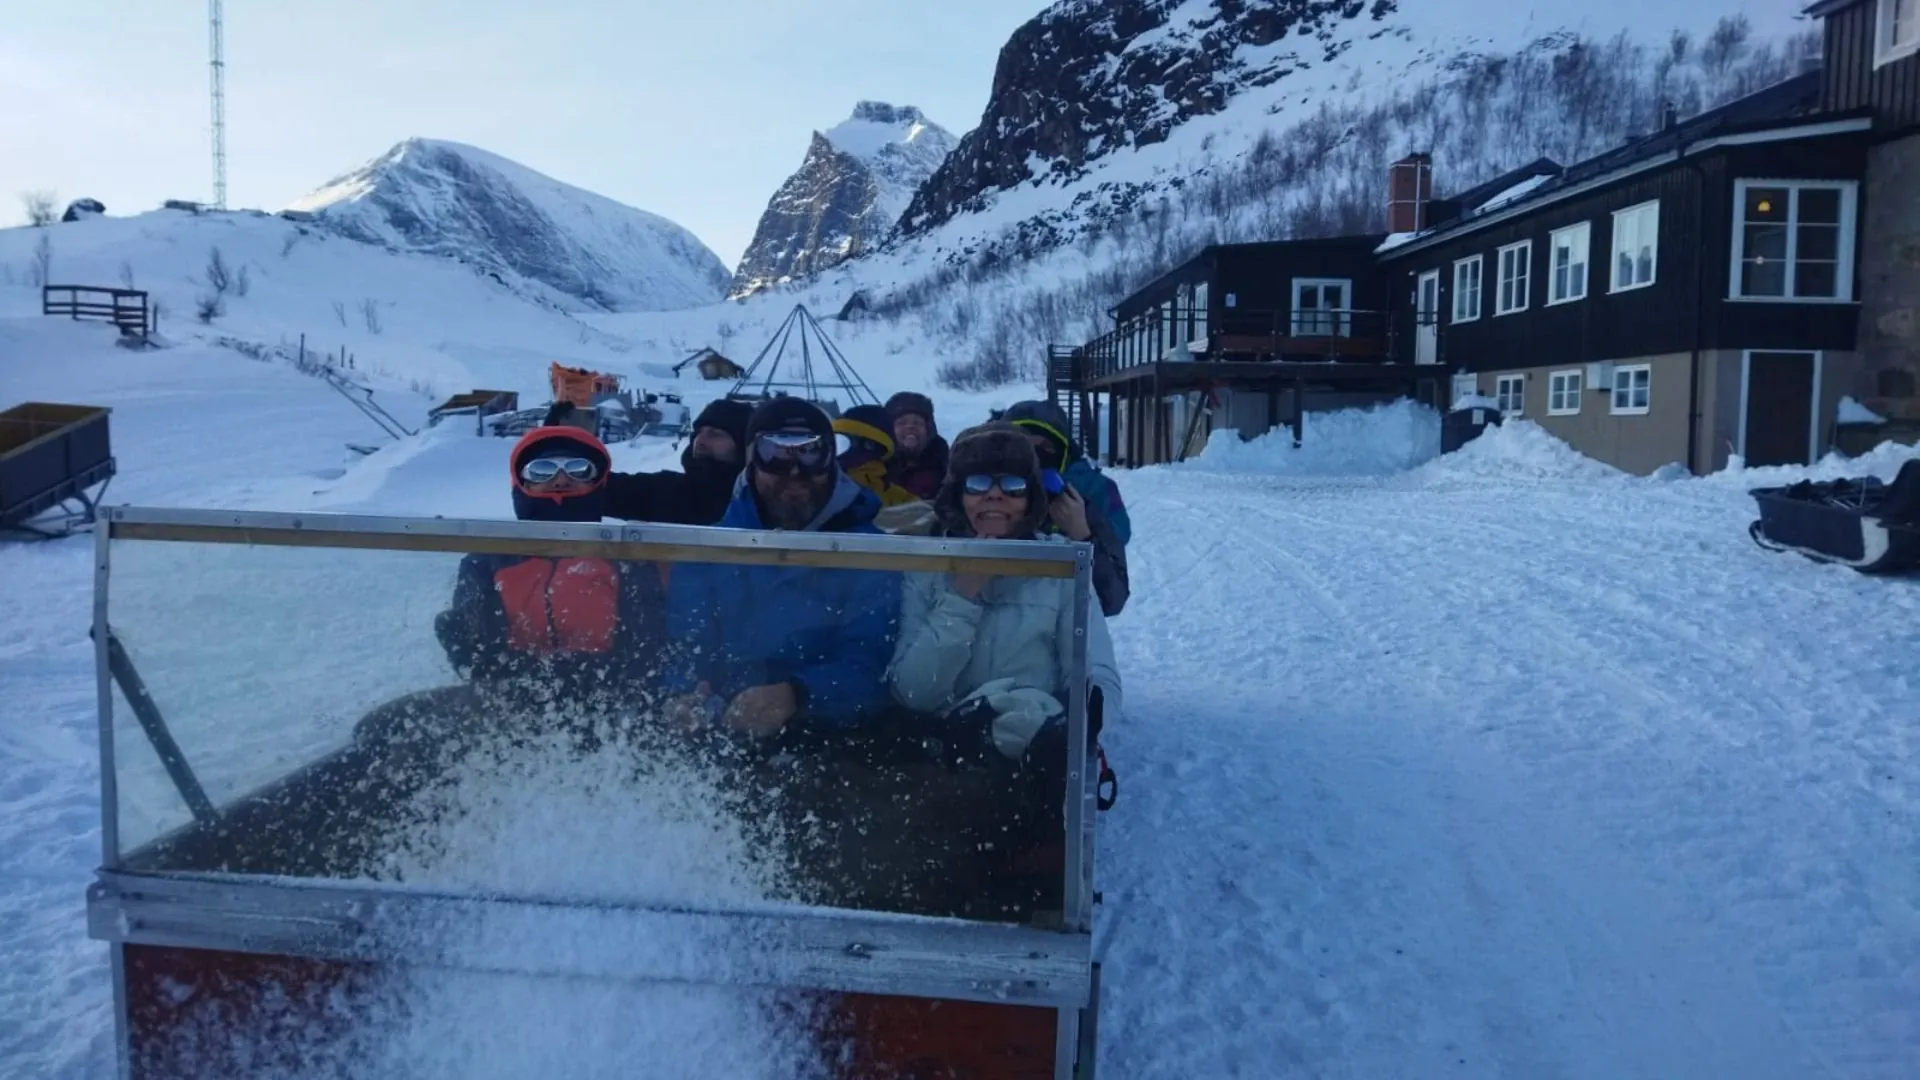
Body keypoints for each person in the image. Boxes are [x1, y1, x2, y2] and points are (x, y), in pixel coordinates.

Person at [659, 397, 898, 740]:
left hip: (833, 736)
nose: (795, 472)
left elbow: (873, 661)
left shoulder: (868, 552)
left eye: (811, 453)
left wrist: (798, 694)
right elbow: (687, 646)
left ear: (831, 459)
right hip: (724, 727)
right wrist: (683, 694)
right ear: (751, 461)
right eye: (775, 454)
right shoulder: (710, 551)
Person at [887, 422, 1122, 762]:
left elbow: (1098, 673)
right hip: (942, 756)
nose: (994, 495)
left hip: (1034, 750)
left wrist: (1078, 721)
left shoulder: (1061, 567)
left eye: (1013, 485)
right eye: (977, 483)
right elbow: (913, 693)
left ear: (1030, 499)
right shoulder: (927, 567)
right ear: (958, 494)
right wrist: (959, 600)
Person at [433, 425, 668, 709]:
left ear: (598, 481)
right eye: (541, 470)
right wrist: (475, 659)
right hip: (512, 700)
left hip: (610, 703)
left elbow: (647, 645)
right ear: (521, 482)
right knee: (382, 729)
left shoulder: (625, 556)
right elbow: (482, 649)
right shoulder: (489, 560)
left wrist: (584, 676)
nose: (560, 479)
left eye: (578, 469)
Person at [997, 401, 1131, 617]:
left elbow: (1111, 599)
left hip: (1067, 628)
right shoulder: (985, 494)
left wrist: (1082, 535)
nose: (1035, 456)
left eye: (1045, 447)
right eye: (1023, 447)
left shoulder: (1093, 492)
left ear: (1063, 450)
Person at [600, 397, 753, 526]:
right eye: (698, 433)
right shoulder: (670, 493)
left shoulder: (760, 502)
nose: (700, 440)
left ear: (742, 446)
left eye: (715, 434)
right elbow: (610, 490)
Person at [833, 403, 919, 507]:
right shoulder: (819, 486)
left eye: (842, 442)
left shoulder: (897, 497)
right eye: (834, 442)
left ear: (870, 446)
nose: (834, 451)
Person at [883, 391, 949, 500]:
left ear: (928, 430)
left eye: (917, 423)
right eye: (902, 423)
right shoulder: (879, 464)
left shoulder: (944, 462)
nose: (910, 427)